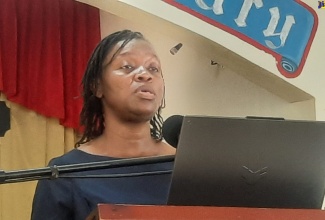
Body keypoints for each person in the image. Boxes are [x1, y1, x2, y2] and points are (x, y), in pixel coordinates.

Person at [31, 30, 176, 220]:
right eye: (127, 66)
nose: (144, 75)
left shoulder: (188, 169)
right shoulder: (64, 173)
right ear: (97, 86)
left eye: (153, 68)